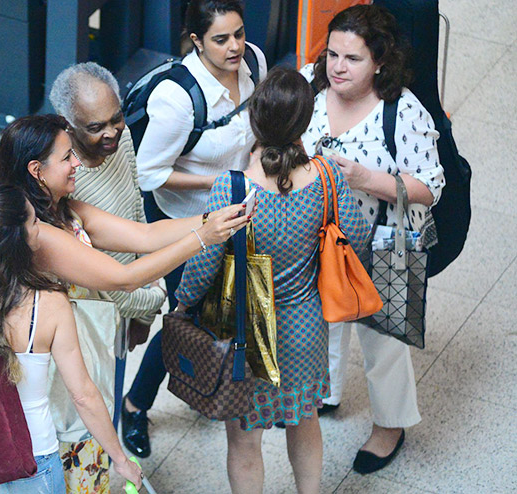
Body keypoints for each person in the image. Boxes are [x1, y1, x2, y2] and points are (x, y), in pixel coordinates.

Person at [0, 113, 249, 489]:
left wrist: (212, 219)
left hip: (80, 347)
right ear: (37, 170)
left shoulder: (62, 208)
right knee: (73, 443)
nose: (77, 162)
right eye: (66, 157)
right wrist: (203, 239)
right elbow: (125, 279)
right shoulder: (40, 235)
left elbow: (143, 236)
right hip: (55, 371)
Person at [175, 67, 370, 494]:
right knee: (304, 419)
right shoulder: (327, 178)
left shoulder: (233, 189)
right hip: (305, 329)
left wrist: (184, 304)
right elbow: (355, 235)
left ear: (253, 119)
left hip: (246, 334)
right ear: (306, 122)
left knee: (245, 438)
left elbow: (204, 263)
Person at [0, 184, 143, 493]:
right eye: (34, 221)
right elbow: (83, 395)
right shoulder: (49, 305)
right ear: (19, 240)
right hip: (33, 459)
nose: (41, 228)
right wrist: (120, 459)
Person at [299, 4, 445, 474]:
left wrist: (368, 178)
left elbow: (431, 187)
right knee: (323, 317)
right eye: (332, 54)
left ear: (380, 61)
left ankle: (391, 425)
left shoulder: (402, 110)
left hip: (382, 239)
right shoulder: (308, 84)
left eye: (352, 59)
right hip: (317, 231)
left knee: (383, 337)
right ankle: (328, 390)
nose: (337, 67)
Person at [126, 0, 268, 458]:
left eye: (239, 33)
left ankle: (206, 379)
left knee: (218, 309)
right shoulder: (177, 98)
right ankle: (134, 405)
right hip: (181, 220)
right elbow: (150, 174)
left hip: (237, 212)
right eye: (221, 39)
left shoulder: (255, 62)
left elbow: (257, 130)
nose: (236, 47)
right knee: (184, 317)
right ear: (196, 41)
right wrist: (220, 182)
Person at [49, 63, 166, 430]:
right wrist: (151, 302)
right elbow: (96, 282)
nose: (111, 132)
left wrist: (142, 306)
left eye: (115, 118)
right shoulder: (64, 182)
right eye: (95, 127)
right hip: (90, 312)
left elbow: (136, 210)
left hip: (129, 296)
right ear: (67, 126)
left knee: (110, 402)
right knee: (85, 413)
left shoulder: (123, 138)